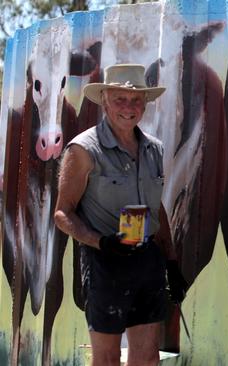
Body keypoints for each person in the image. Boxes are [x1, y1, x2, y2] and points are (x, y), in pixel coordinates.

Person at [54, 64, 188, 366]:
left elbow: (157, 209)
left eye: (136, 100)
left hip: (147, 262)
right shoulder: (84, 150)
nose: (129, 107)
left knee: (147, 358)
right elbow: (62, 214)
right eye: (120, 99)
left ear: (145, 104)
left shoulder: (153, 149)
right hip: (105, 265)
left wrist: (171, 262)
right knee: (107, 359)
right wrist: (101, 242)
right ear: (104, 100)